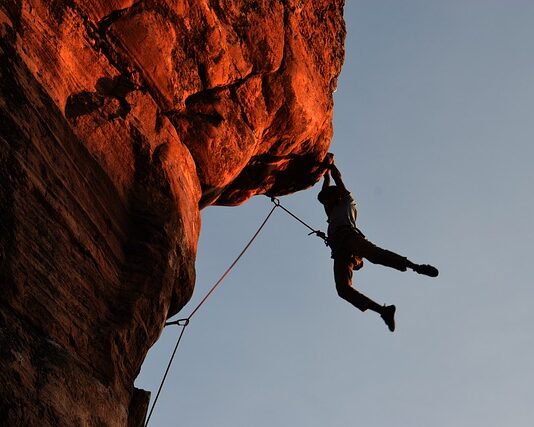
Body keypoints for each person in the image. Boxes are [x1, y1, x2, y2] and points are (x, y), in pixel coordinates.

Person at [317, 153, 438, 332]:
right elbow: (326, 186)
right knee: (343, 289)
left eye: (327, 199)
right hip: (341, 250)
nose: (325, 203)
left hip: (350, 238)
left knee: (374, 255)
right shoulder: (332, 211)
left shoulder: (347, 203)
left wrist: (331, 166)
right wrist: (325, 173)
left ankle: (415, 266)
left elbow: (338, 180)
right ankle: (383, 310)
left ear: (335, 197)